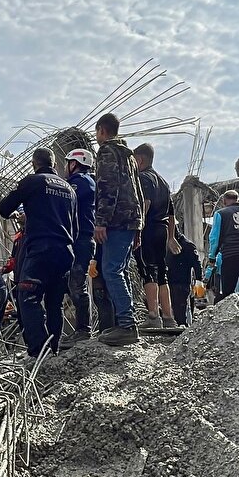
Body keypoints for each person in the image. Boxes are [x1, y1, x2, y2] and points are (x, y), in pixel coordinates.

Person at [0, 147, 76, 359]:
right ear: (54, 165)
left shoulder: (32, 181)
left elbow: (3, 208)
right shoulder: (69, 189)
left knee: (27, 296)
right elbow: (74, 227)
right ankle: (54, 349)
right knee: (54, 303)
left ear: (34, 163)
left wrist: (25, 211)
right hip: (65, 251)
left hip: (40, 249)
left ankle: (40, 350)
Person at [92, 113, 144, 346]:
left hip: (116, 220)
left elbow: (106, 187)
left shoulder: (106, 152)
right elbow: (138, 193)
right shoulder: (129, 156)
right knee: (119, 270)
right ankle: (125, 322)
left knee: (111, 271)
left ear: (102, 130)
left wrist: (100, 221)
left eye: (97, 132)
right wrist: (139, 226)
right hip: (130, 220)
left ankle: (126, 325)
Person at [132, 143, 180, 329]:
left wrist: (138, 229)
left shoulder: (143, 178)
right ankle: (168, 316)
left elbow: (145, 203)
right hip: (161, 230)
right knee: (162, 274)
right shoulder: (163, 181)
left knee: (147, 271)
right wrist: (171, 237)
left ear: (140, 159)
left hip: (148, 229)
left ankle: (153, 315)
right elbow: (171, 213)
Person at [64, 148, 96, 342]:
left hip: (81, 240)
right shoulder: (86, 181)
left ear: (74, 164)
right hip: (80, 240)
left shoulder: (81, 183)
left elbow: (67, 200)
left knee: (77, 284)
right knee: (72, 284)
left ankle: (84, 330)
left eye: (67, 163)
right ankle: (81, 329)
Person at [166, 229, 202, 326]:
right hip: (168, 283)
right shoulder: (165, 245)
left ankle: (183, 327)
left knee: (181, 311)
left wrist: (199, 283)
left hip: (182, 284)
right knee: (175, 308)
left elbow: (197, 265)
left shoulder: (187, 246)